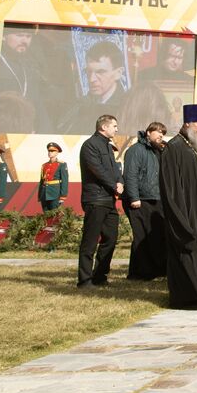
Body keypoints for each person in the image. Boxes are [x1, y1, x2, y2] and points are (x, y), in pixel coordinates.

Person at [159, 104, 197, 308]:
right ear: (187, 123)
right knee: (187, 254)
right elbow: (170, 186)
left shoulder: (195, 148)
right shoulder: (174, 148)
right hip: (185, 211)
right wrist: (179, 216)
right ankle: (186, 297)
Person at [77, 114, 123, 288]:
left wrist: (120, 182)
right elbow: (97, 169)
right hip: (95, 199)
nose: (117, 129)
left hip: (109, 199)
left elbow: (115, 168)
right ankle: (84, 280)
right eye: (114, 126)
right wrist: (114, 184)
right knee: (90, 242)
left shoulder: (108, 146)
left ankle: (100, 276)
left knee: (110, 239)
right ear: (104, 127)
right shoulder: (90, 145)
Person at [122, 121, 168, 281]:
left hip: (156, 198)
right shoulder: (136, 150)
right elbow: (130, 175)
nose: (161, 135)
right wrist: (134, 197)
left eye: (163, 133)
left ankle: (153, 271)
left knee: (155, 236)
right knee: (141, 236)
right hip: (140, 199)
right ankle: (138, 273)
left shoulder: (158, 151)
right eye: (158, 132)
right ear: (148, 132)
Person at [38, 142, 69, 212]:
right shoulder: (44, 165)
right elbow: (41, 181)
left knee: (55, 216)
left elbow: (64, 181)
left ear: (57, 152)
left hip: (55, 194)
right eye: (49, 151)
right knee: (46, 216)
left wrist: (63, 196)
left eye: (52, 151)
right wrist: (40, 195)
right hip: (44, 194)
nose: (50, 152)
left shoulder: (61, 164)